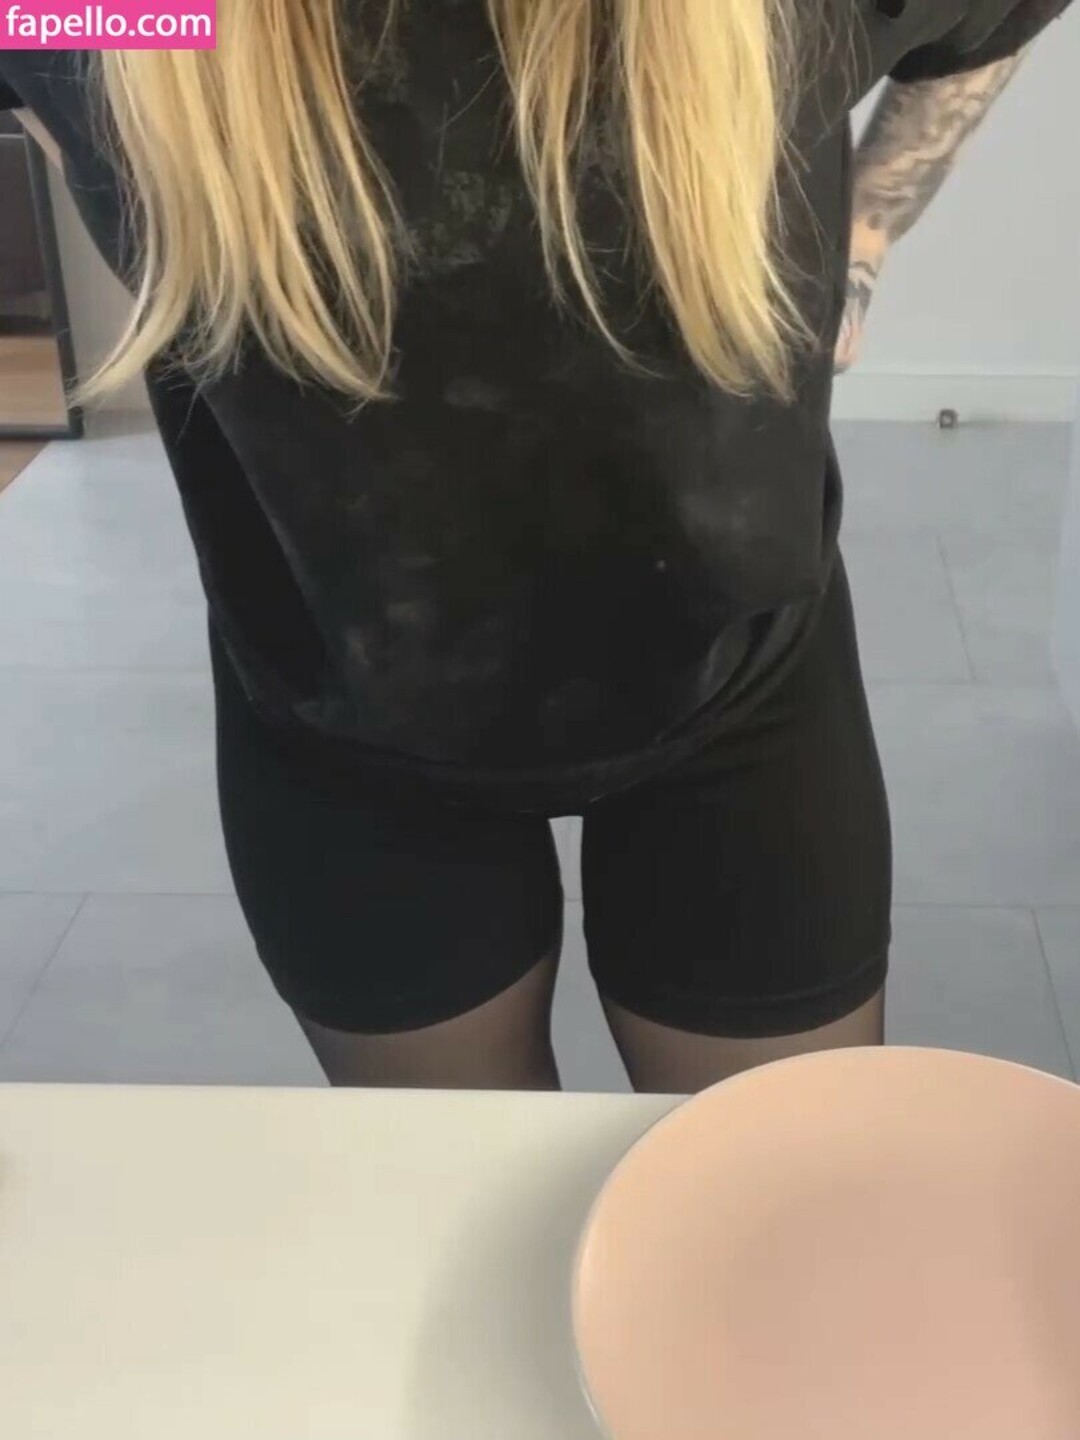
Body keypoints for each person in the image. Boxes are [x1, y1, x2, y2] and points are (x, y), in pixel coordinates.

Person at [0, 0, 1071, 1094]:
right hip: (344, 719)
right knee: (464, 1188)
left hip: (737, 688)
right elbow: (43, 62)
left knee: (763, 1180)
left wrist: (867, 229)